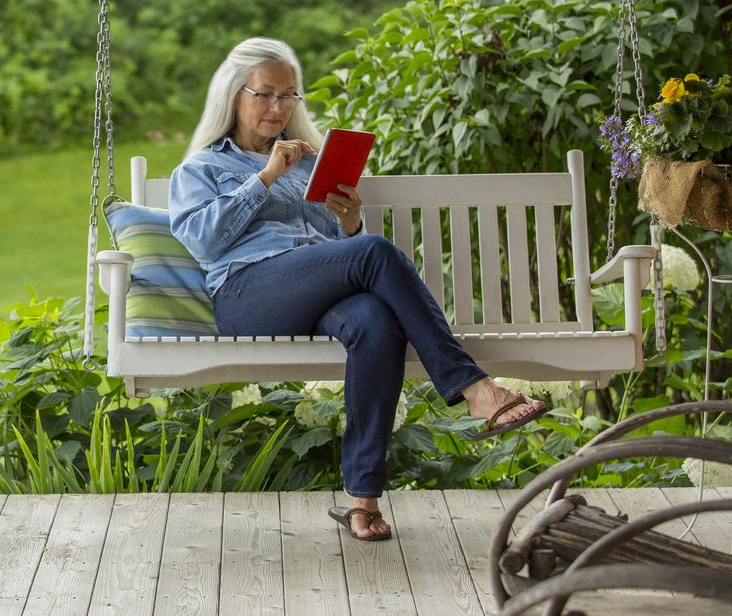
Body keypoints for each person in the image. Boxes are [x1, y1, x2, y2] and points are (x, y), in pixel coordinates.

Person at [168, 37, 547, 542]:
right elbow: (202, 240)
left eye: (289, 96)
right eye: (264, 94)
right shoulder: (201, 169)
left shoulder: (309, 164)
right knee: (374, 252)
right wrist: (263, 178)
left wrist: (346, 224)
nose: (278, 107)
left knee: (374, 320)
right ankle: (476, 389)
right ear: (234, 95)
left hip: (310, 291)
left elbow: (329, 251)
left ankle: (362, 499)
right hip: (247, 294)